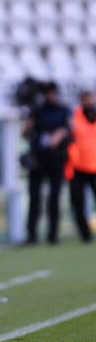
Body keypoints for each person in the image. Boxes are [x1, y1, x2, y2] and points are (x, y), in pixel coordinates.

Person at [22, 81, 70, 245]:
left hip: (56, 159)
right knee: (35, 197)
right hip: (38, 159)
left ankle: (53, 234)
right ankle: (31, 234)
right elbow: (26, 134)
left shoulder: (62, 111)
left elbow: (67, 131)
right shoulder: (37, 111)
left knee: (54, 197)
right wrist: (28, 125)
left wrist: (60, 134)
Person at [66, 90, 96, 242]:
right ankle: (85, 234)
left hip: (95, 167)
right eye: (85, 99)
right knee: (77, 201)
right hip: (77, 167)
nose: (88, 102)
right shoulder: (75, 116)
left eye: (90, 99)